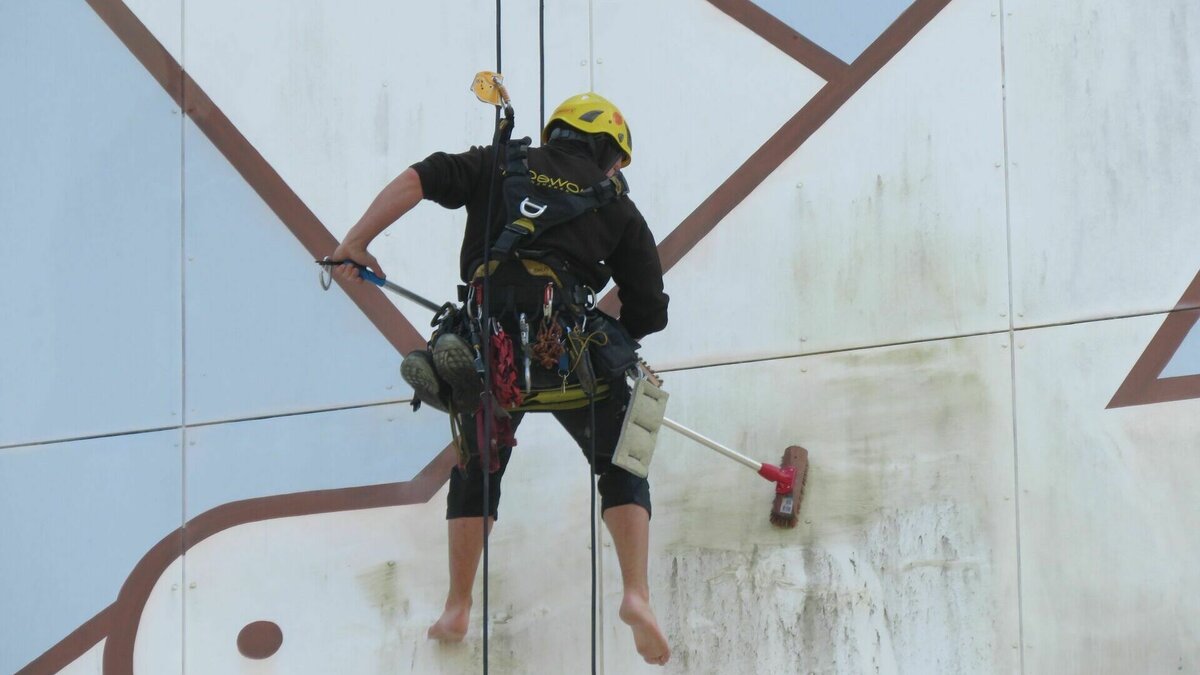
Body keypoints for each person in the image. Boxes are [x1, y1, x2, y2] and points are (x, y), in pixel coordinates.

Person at [330, 93, 670, 665]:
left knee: (479, 464)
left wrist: (355, 242)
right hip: (565, 354)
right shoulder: (616, 204)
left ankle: (457, 605)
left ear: (557, 132)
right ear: (610, 152)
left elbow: (423, 175)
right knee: (621, 462)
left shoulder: (499, 163)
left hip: (489, 344)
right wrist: (614, 346)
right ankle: (637, 594)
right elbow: (650, 308)